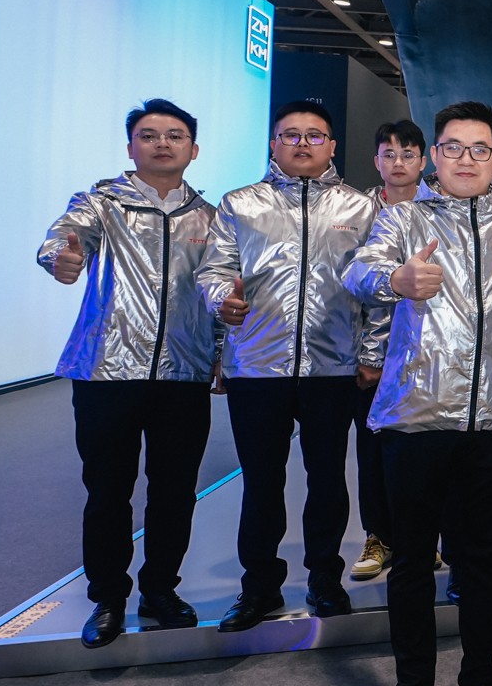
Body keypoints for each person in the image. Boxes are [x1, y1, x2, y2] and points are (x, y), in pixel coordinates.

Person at [342, 101, 492, 686]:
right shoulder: (402, 218)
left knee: (484, 563)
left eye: (480, 148)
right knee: (411, 564)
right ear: (435, 155)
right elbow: (357, 273)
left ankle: (480, 684)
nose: (466, 159)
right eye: (453, 147)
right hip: (415, 420)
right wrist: (396, 279)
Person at [39, 99, 217, 648]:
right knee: (108, 491)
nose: (162, 143)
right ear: (131, 147)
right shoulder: (100, 204)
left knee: (175, 491)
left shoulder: (211, 217)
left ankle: (160, 589)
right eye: (149, 135)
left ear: (193, 149)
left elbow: (222, 288)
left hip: (183, 374)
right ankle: (108, 598)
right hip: (105, 371)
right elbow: (63, 239)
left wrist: (223, 353)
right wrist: (60, 258)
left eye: (175, 135)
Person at [197, 99, 377, 631]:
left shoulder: (360, 208)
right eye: (291, 135)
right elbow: (214, 270)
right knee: (261, 483)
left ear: (332, 146)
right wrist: (220, 301)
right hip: (256, 366)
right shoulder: (240, 204)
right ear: (273, 143)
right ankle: (259, 587)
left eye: (314, 135)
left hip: (333, 368)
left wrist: (370, 355)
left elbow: (378, 291)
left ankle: (325, 580)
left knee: (328, 482)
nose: (302, 143)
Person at [350, 119, 426, 583]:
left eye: (407, 154)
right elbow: (354, 283)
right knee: (373, 449)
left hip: (427, 356)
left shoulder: (438, 210)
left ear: (423, 160)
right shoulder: (357, 211)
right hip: (365, 355)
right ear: (376, 160)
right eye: (389, 154)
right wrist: (370, 355)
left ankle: (423, 540)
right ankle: (379, 535)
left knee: (424, 455)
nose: (398, 163)